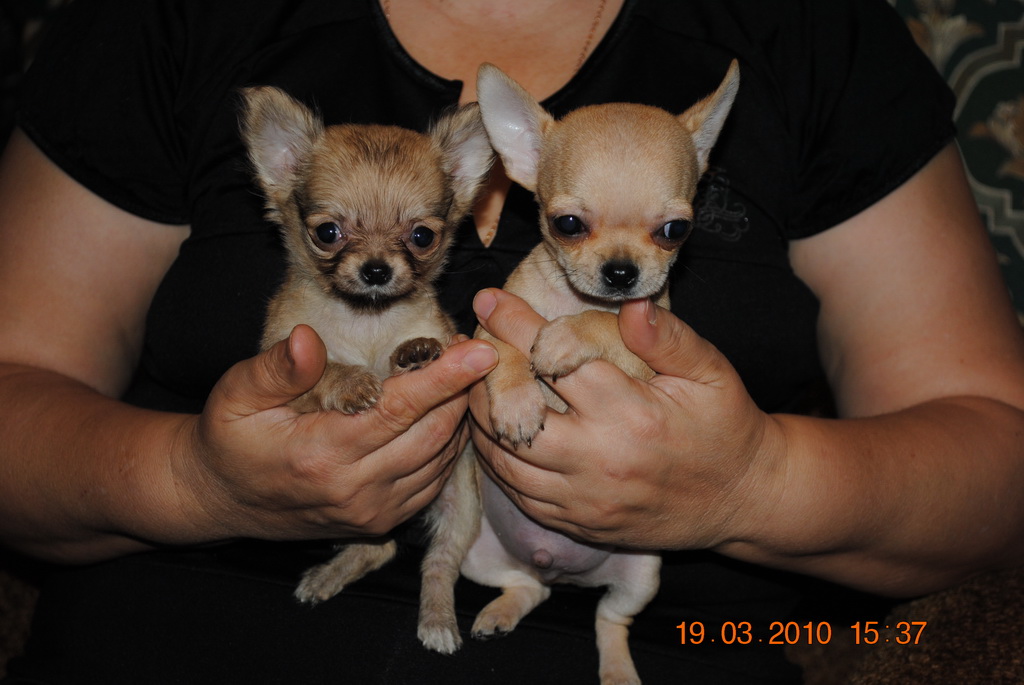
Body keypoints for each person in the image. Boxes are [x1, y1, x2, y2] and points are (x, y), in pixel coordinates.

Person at [1, 0, 1023, 682]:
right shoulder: (173, 19)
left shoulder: (810, 31)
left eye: (671, 230)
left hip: (664, 644)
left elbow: (997, 462)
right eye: (570, 223)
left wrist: (754, 482)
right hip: (192, 637)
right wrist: (193, 482)